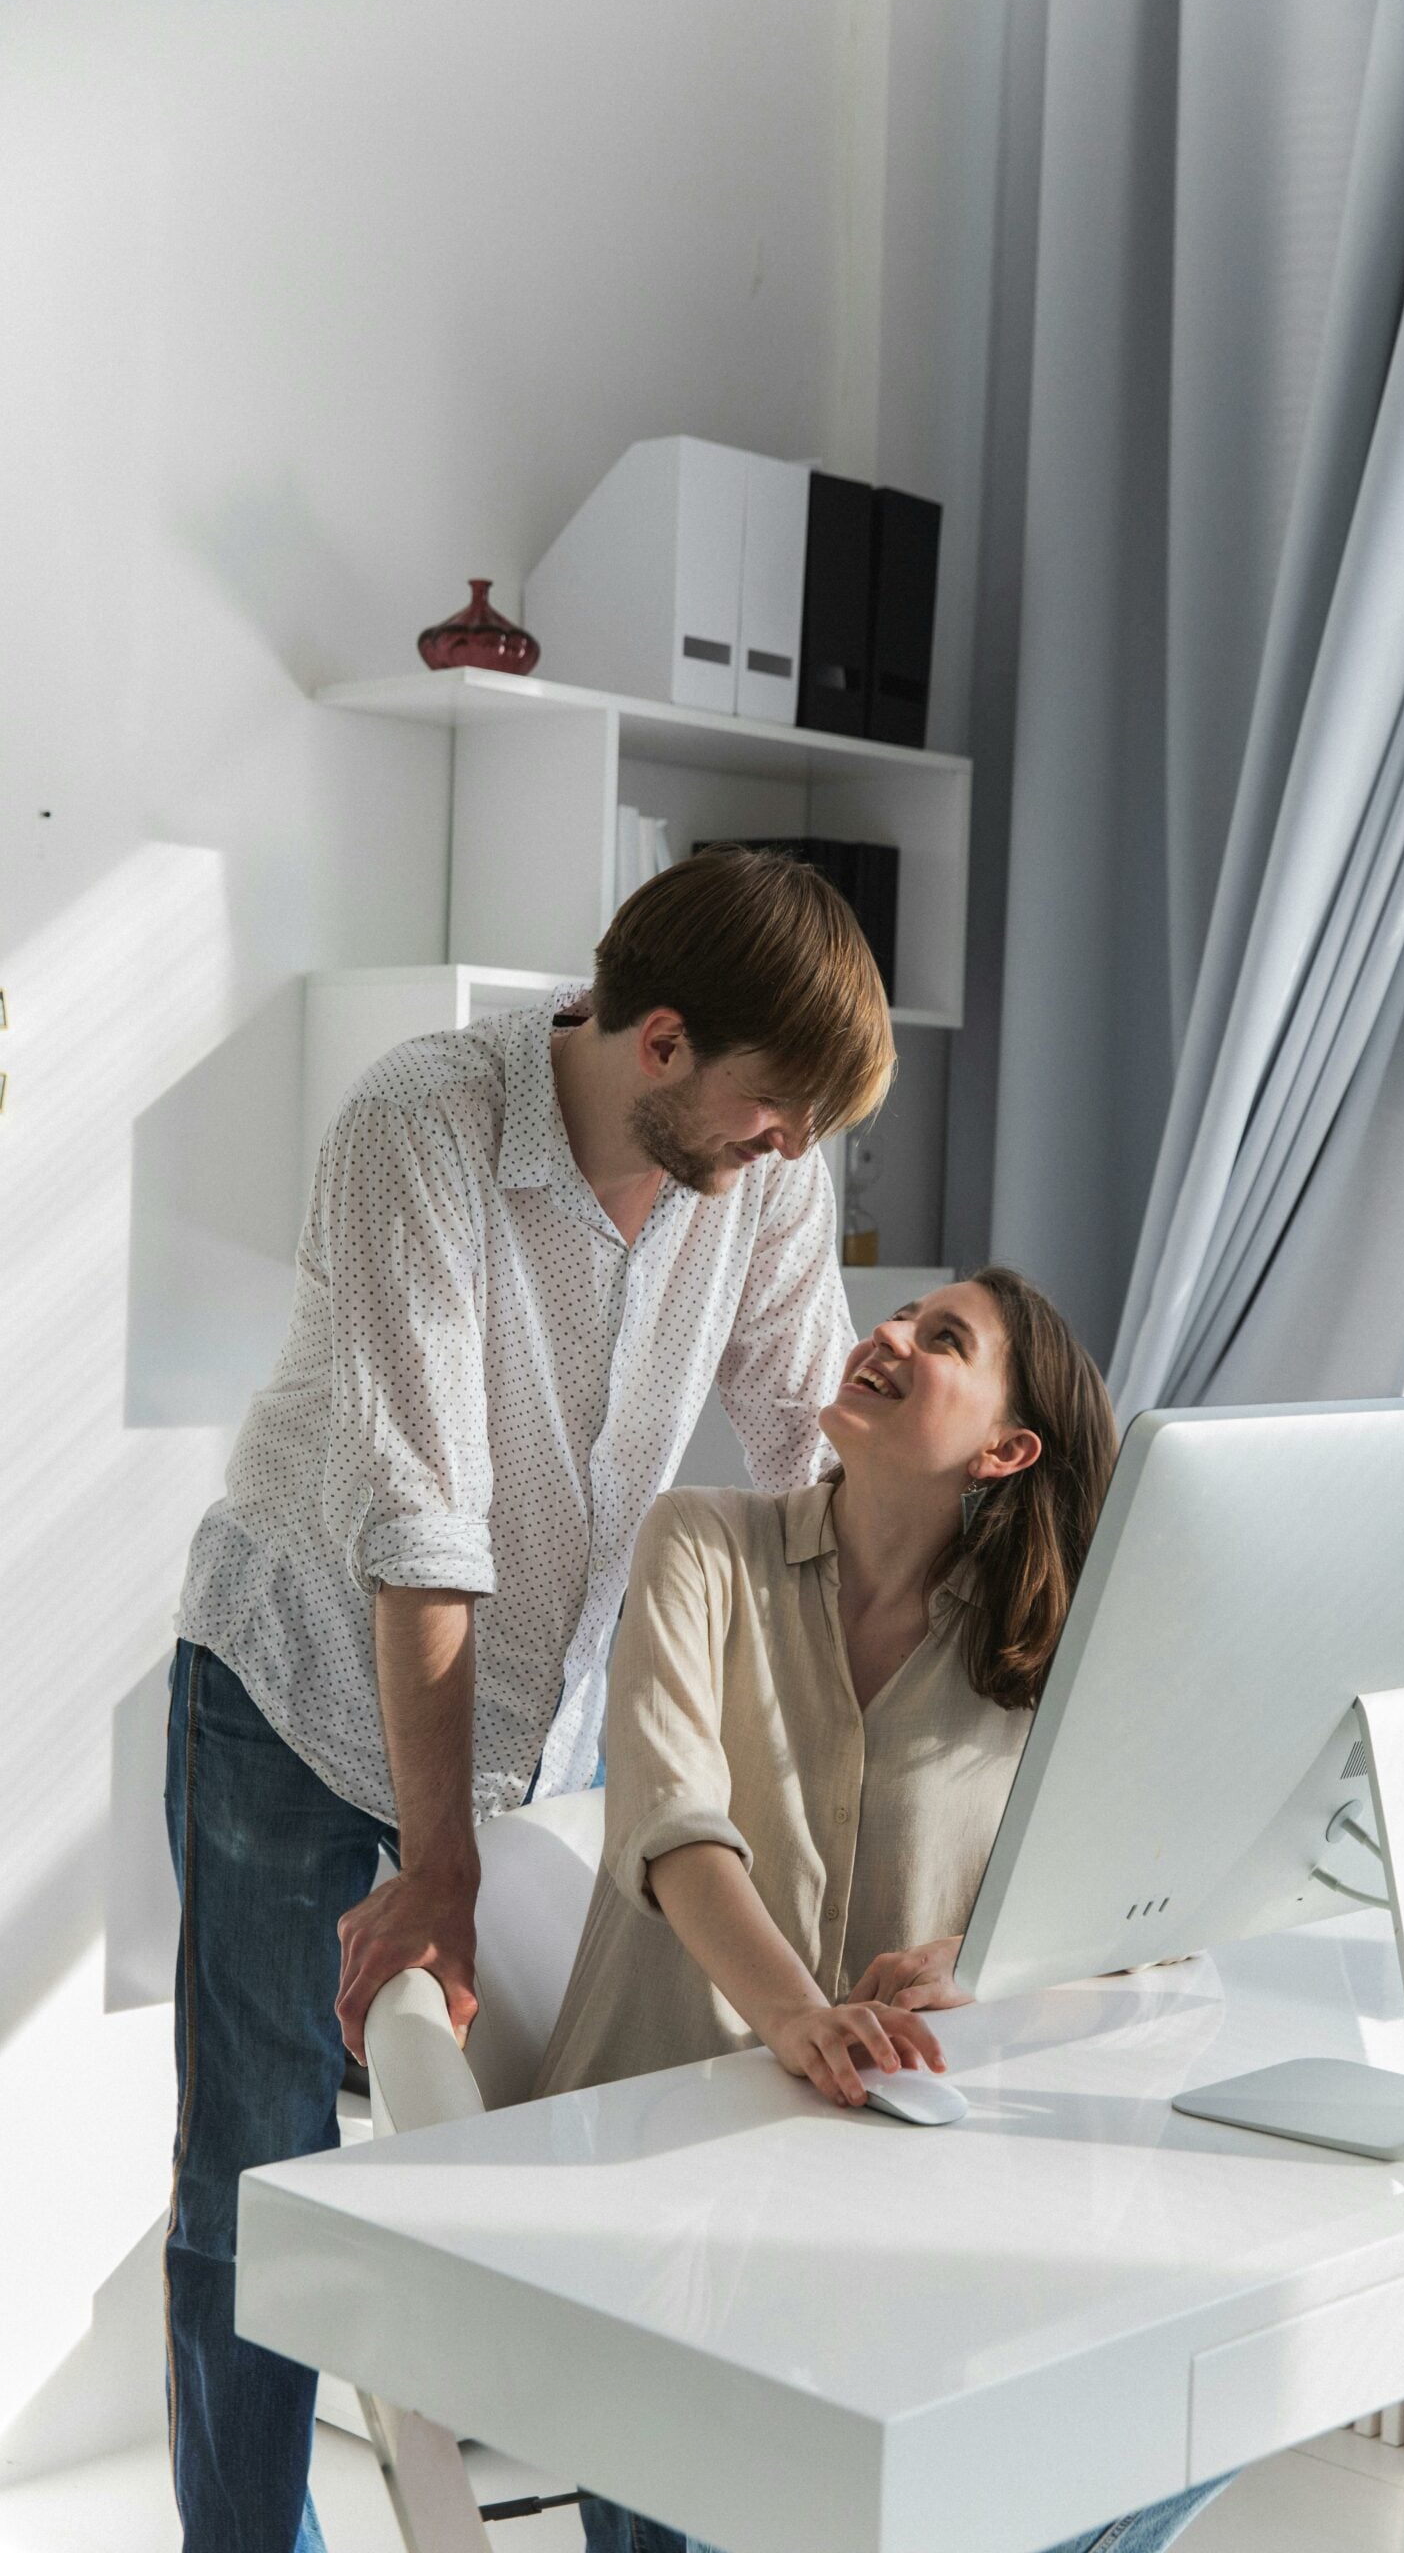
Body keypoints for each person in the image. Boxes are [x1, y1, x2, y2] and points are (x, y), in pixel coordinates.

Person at [164, 849, 894, 2553]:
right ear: (655, 1043)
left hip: (532, 1731)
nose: (786, 1154)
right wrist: (437, 1871)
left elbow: (808, 1464)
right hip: (297, 1696)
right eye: (772, 1111)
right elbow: (423, 1526)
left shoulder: (758, 1173)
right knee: (257, 2190)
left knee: (598, 2179)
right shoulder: (414, 1127)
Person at [535, 1267, 1229, 2553]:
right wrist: (802, 2018)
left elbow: (1154, 1911)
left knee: (1209, 2398)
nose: (891, 1332)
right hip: (651, 2193)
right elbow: (673, 1823)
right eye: (901, 1316)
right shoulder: (699, 1541)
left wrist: (984, 1954)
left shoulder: (1043, 1662)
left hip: (889, 2207)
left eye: (943, 1336)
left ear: (1007, 1449)